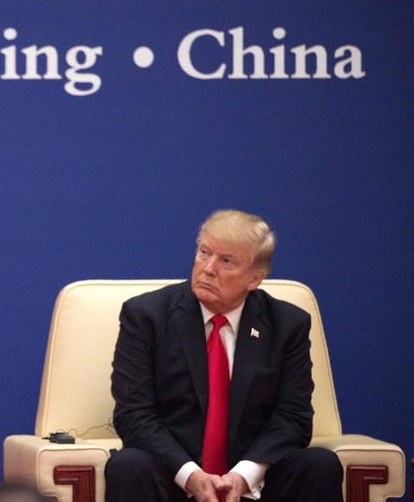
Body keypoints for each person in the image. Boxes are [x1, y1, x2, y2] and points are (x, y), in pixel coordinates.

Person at [105, 210, 342, 502]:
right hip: (173, 480)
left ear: (254, 279)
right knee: (128, 465)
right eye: (204, 252)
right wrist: (191, 476)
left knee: (319, 464)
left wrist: (243, 475)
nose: (208, 268)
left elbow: (293, 418)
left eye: (226, 261)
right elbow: (133, 414)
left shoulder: (287, 325)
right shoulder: (146, 316)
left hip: (255, 486)